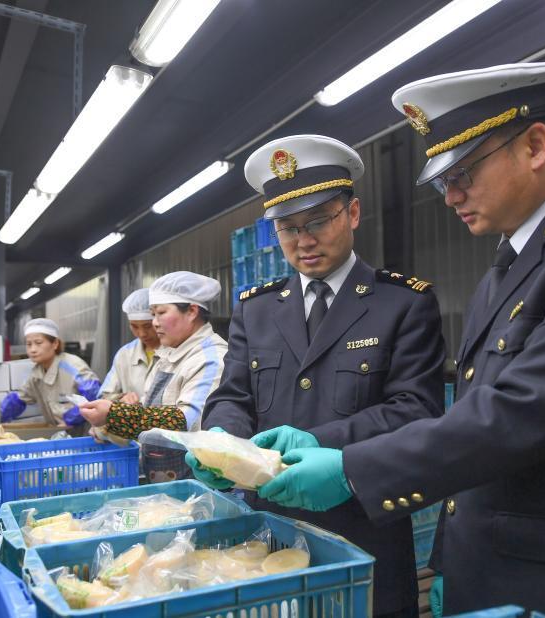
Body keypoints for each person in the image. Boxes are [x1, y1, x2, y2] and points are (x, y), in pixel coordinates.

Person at [251, 62, 545, 617]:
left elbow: (525, 410)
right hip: (495, 567)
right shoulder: (507, 270)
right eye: (442, 181)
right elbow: (471, 420)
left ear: (535, 145)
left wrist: (352, 467)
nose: (451, 196)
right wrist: (448, 558)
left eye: (463, 172)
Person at [191, 134, 446, 616]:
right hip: (270, 531)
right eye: (286, 228)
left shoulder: (402, 304)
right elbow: (233, 395)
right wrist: (221, 438)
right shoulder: (257, 308)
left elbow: (417, 408)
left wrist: (318, 441)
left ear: (351, 214)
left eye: (318, 221)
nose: (303, 241)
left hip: (363, 521)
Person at [80, 271, 227, 482]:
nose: (155, 322)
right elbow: (149, 411)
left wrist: (114, 414)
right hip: (161, 474)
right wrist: (108, 424)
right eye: (153, 314)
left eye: (161, 313)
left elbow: (187, 422)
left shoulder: (210, 357)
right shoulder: (168, 354)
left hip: (194, 479)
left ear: (192, 311)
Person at [0, 318, 100, 434]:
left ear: (55, 344)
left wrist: (70, 419)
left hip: (86, 437)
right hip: (60, 438)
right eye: (28, 344)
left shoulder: (72, 367)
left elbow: (94, 397)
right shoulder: (36, 374)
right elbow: (17, 400)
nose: (32, 349)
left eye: (38, 343)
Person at [98, 288, 160, 405]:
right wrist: (121, 397)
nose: (142, 333)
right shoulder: (125, 354)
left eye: (147, 326)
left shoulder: (174, 351)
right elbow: (104, 395)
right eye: (134, 326)